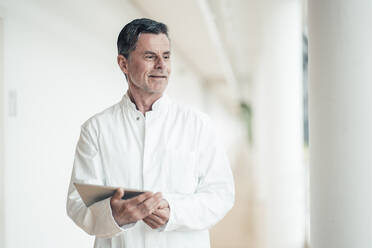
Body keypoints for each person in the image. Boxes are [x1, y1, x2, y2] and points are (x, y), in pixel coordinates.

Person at [66, 18, 234, 248]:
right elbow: (77, 203)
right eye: (149, 56)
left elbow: (221, 194)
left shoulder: (198, 125)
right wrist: (113, 216)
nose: (161, 65)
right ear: (123, 64)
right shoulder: (96, 129)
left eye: (166, 56)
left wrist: (174, 211)